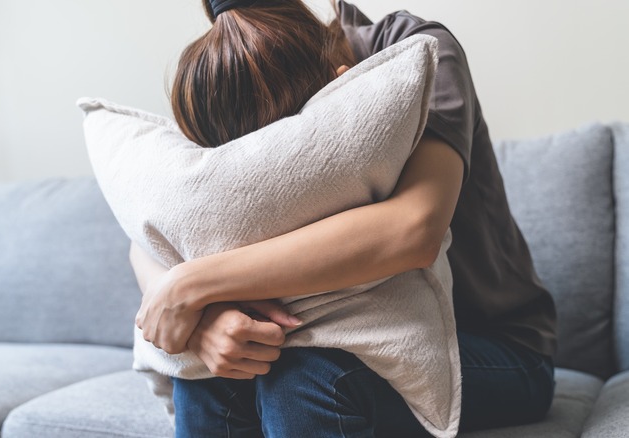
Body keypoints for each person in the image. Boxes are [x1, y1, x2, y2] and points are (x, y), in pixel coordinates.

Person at [130, 0, 557, 436]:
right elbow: (154, 231)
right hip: (321, 332)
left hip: (495, 345)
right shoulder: (227, 76)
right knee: (213, 372)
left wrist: (193, 285)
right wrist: (203, 322)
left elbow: (415, 229)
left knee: (307, 374)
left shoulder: (415, 50)